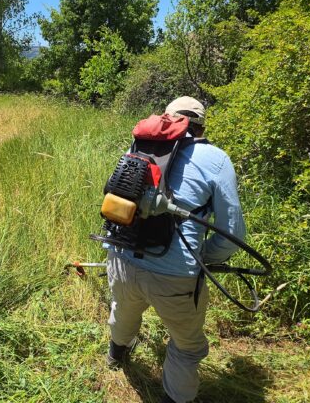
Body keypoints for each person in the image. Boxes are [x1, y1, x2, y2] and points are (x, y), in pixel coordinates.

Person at [105, 96, 246, 403]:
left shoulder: (138, 146)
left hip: (120, 255)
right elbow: (233, 232)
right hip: (176, 275)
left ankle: (116, 356)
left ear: (168, 122)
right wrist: (204, 258)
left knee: (124, 309)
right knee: (187, 346)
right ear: (201, 126)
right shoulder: (216, 158)